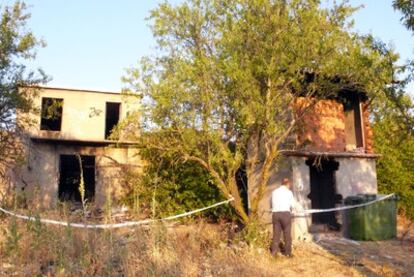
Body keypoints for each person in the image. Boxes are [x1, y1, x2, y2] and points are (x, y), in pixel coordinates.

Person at [270, 177, 295, 257]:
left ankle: (274, 253)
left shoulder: (274, 192)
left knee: (276, 235)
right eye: (289, 185)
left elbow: (271, 204)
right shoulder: (289, 192)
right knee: (287, 235)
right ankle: (288, 253)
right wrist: (293, 211)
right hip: (285, 214)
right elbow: (293, 205)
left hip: (276, 214)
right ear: (287, 184)